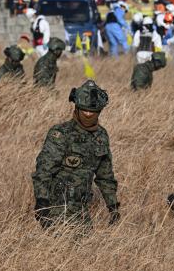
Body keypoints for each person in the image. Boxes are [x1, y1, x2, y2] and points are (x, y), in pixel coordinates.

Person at [32, 80, 119, 230]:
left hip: (82, 210)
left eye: (92, 112)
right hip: (56, 209)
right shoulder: (61, 133)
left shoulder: (101, 136)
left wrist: (113, 206)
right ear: (77, 108)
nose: (88, 114)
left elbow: (105, 176)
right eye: (84, 110)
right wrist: (42, 202)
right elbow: (44, 170)